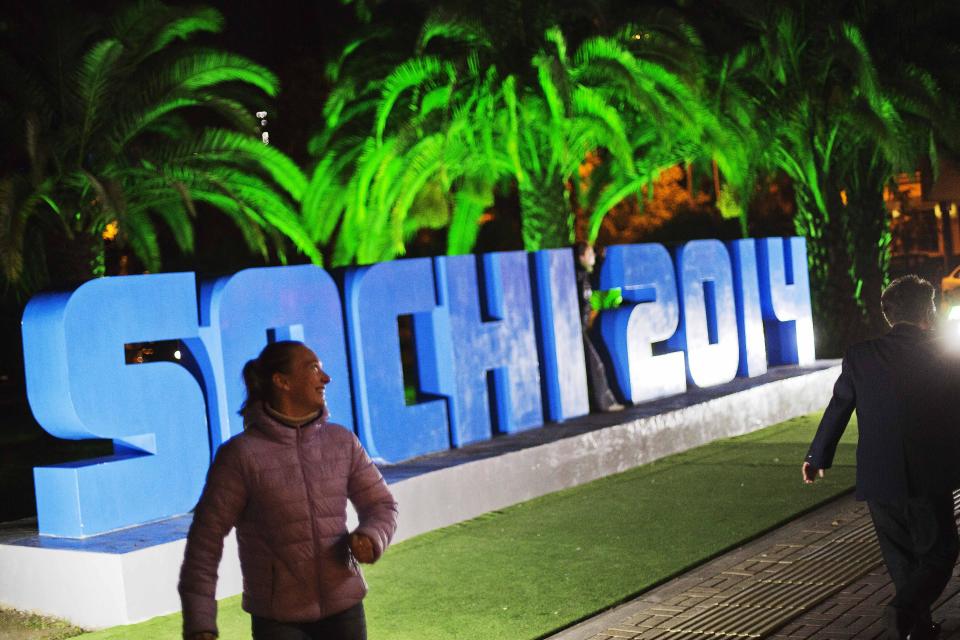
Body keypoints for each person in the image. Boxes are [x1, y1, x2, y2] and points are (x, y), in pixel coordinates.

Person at [179, 341, 398, 640]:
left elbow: (382, 506)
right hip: (278, 621)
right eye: (313, 369)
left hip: (345, 608)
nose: (326, 378)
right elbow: (206, 540)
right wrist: (200, 622)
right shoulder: (240, 455)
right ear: (282, 382)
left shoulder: (342, 441)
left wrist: (372, 536)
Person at [803, 275, 960, 640]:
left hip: (877, 478)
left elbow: (839, 407)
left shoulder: (860, 355)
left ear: (890, 316)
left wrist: (817, 456)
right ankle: (902, 612)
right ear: (929, 311)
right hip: (928, 475)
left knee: (901, 559)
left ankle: (917, 629)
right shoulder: (945, 353)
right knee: (940, 552)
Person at [574, 241, 624, 413]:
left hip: (581, 329)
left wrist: (601, 261)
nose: (593, 256)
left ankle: (600, 403)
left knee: (594, 365)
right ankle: (606, 404)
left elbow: (594, 284)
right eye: (590, 254)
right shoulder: (576, 276)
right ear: (581, 257)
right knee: (596, 366)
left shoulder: (584, 277)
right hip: (575, 331)